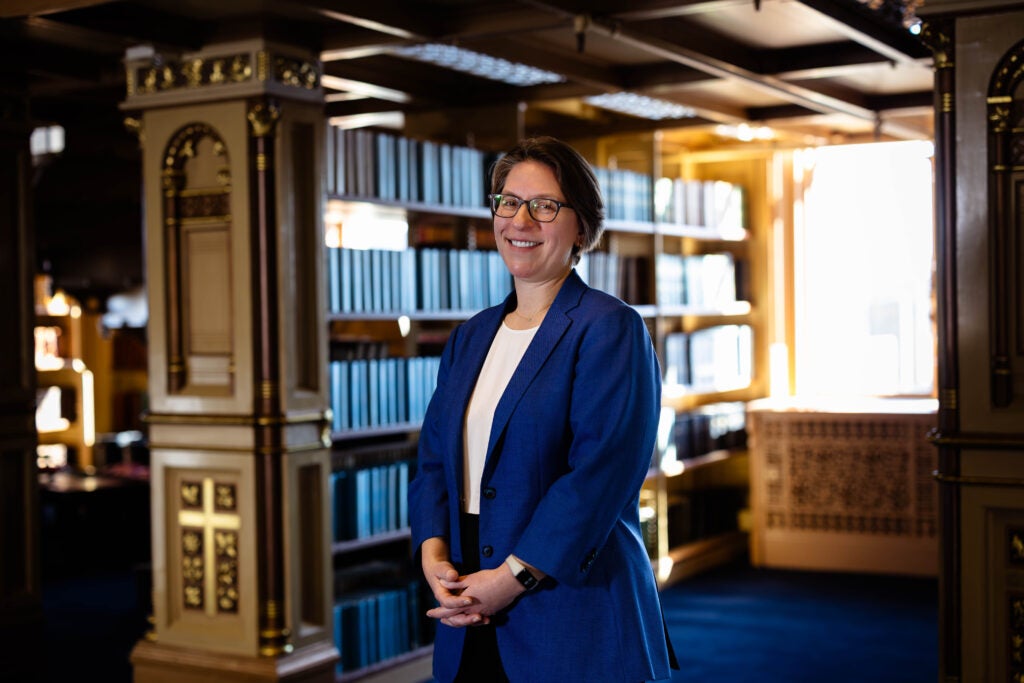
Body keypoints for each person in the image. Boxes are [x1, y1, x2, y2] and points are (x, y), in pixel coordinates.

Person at [408, 136, 677, 682]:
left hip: (572, 617)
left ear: (581, 227)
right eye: (508, 202)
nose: (520, 220)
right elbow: (434, 463)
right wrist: (433, 558)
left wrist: (511, 577)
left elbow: (598, 476)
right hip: (469, 613)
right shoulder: (470, 337)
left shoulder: (609, 328)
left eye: (545, 206)